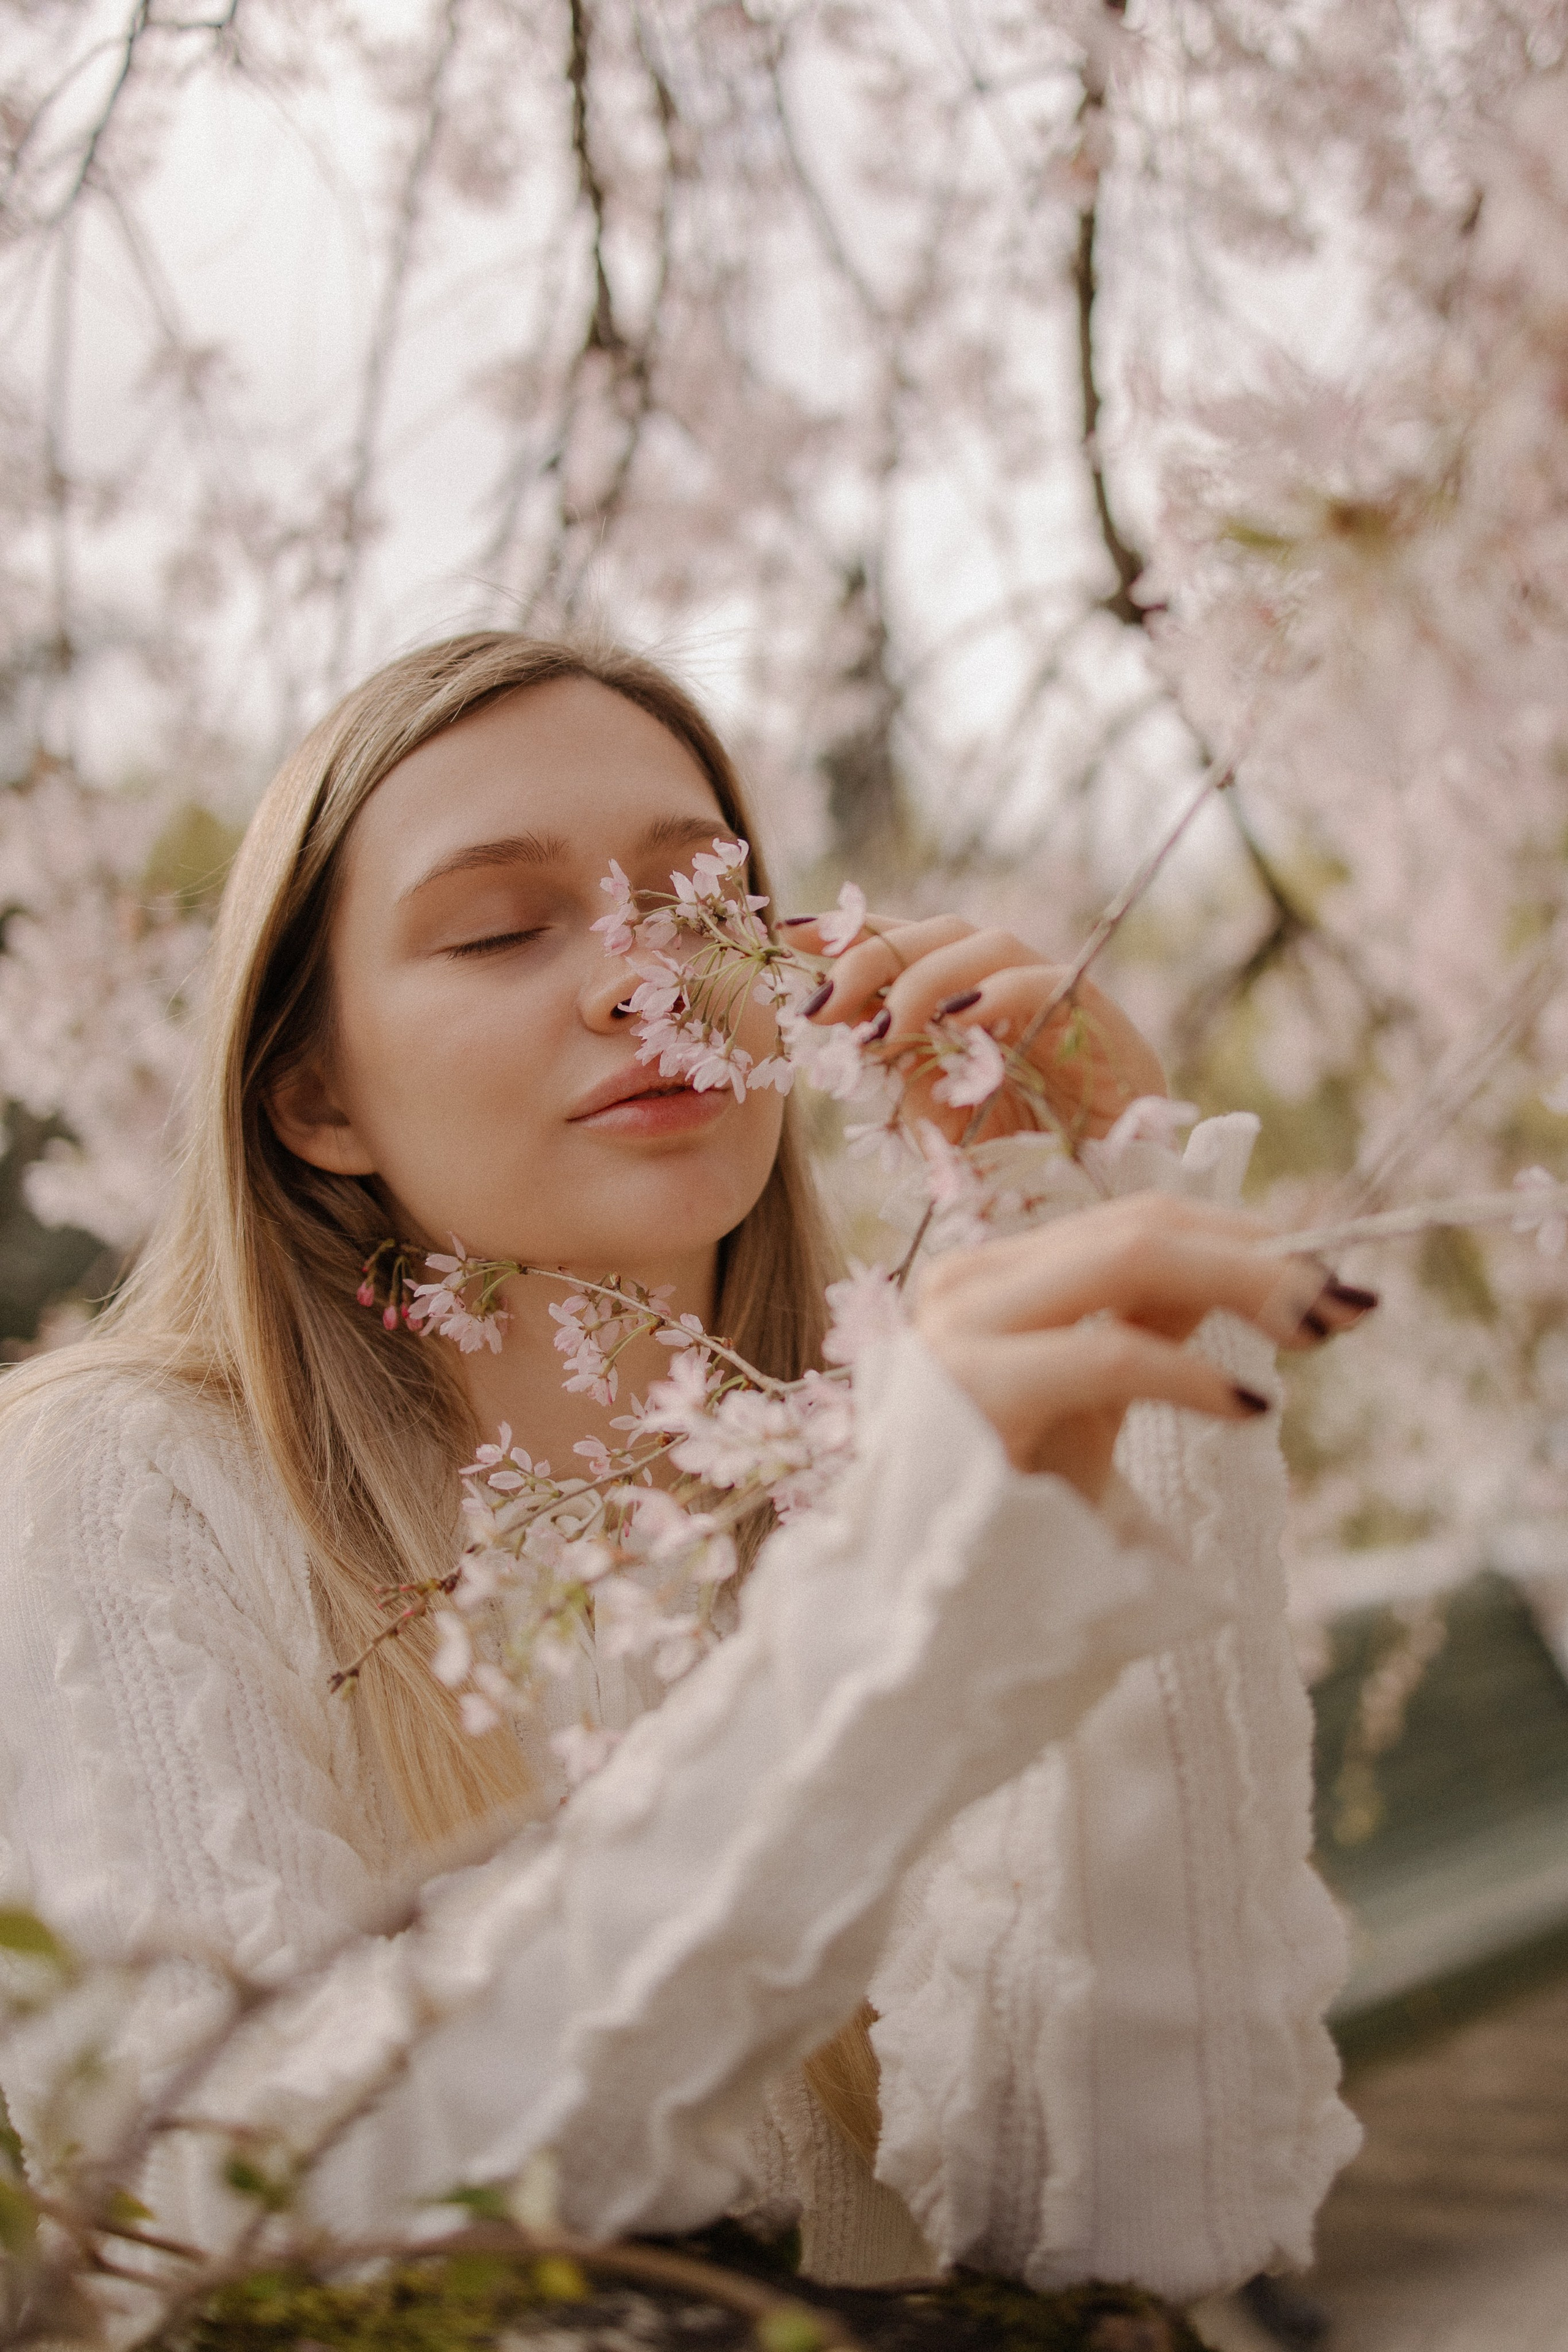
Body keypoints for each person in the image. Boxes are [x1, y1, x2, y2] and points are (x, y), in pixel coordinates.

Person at [0, 631, 1363, 2306]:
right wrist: (879, 1654)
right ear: (312, 1099)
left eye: (700, 901)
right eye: (501, 929)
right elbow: (248, 2217)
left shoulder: (887, 1466)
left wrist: (1116, 1286)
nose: (644, 978)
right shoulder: (127, 1478)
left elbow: (1151, 2212)